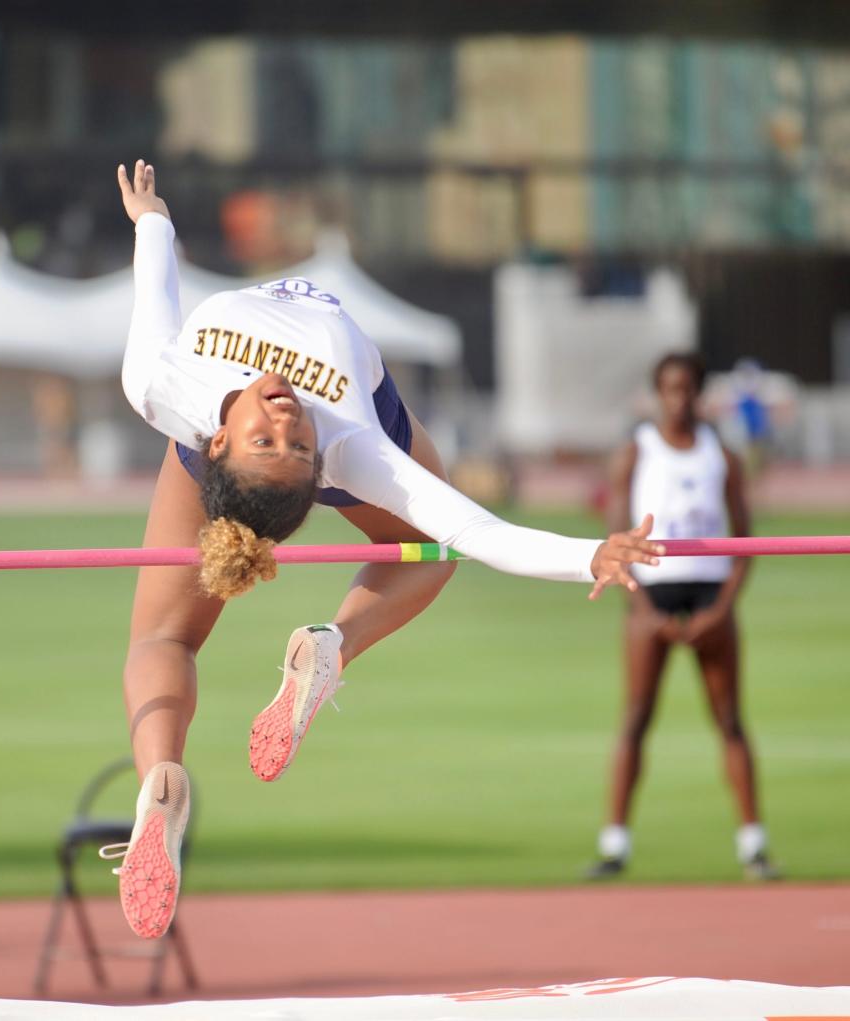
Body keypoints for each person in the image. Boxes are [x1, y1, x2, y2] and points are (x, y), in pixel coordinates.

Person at [101, 160, 664, 940]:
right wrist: (588, 555)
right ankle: (182, 761)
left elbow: (153, 298)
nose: (288, 415)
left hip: (243, 457)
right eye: (288, 439)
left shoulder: (174, 391)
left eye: (282, 436)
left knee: (170, 632)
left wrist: (152, 223)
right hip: (320, 426)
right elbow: (476, 530)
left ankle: (215, 730)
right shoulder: (334, 442)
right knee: (422, 558)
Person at [586, 352, 778, 882]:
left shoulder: (723, 455)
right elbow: (615, 540)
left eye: (688, 388)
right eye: (669, 388)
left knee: (730, 720)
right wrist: (644, 611)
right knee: (636, 718)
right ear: (657, 393)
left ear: (700, 393)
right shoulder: (635, 452)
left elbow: (745, 540)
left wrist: (721, 610)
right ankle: (614, 845)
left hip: (711, 594)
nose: (679, 398)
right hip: (651, 597)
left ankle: (754, 845)